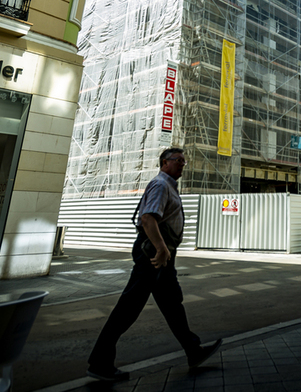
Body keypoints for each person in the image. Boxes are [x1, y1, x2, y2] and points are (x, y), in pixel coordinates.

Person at [87, 148, 221, 382]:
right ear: (163, 163)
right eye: (177, 160)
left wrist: (164, 252)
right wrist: (160, 249)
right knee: (128, 308)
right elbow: (148, 218)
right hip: (153, 256)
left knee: (172, 304)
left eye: (183, 161)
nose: (181, 164)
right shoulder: (160, 184)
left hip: (162, 257)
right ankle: (99, 362)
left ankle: (193, 351)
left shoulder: (169, 186)